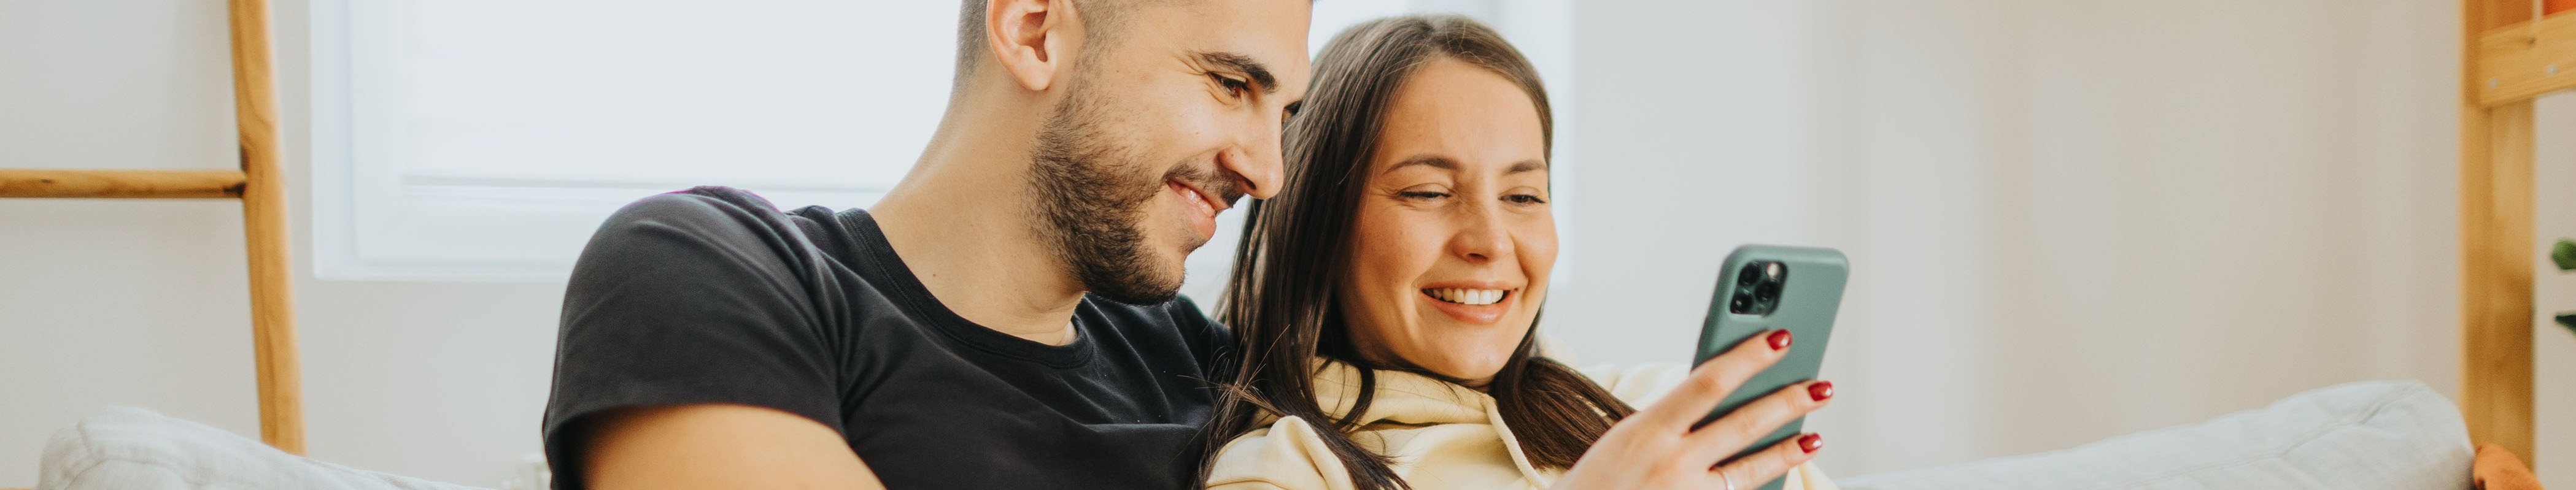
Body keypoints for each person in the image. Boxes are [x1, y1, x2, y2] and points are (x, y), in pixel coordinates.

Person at [538, 1, 1311, 489]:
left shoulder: (1208, 368)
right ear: (1034, 31)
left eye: (1283, 114)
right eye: (1231, 84)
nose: (1266, 173)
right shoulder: (712, 271)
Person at [1201, 16, 1839, 490]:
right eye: (1429, 191)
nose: (1491, 241)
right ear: (1318, 221)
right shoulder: (1281, 472)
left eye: (1524, 195)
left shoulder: (1649, 413)